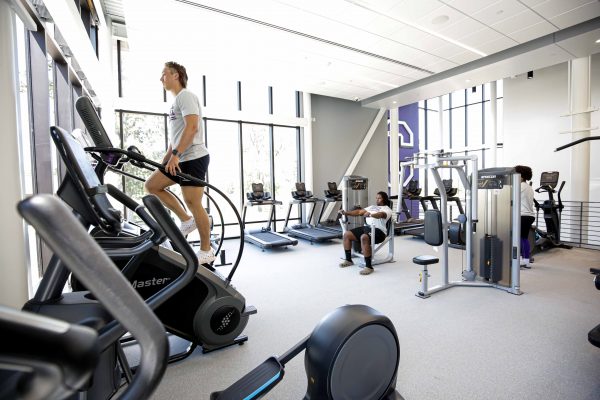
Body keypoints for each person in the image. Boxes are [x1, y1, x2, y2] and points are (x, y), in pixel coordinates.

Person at [145, 61, 215, 264]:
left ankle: (206, 250)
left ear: (176, 75)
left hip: (193, 157)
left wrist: (176, 154)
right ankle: (186, 220)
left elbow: (192, 127)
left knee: (193, 202)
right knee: (152, 186)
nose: (161, 78)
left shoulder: (186, 96)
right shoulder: (176, 102)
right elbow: (176, 136)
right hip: (180, 156)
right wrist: (166, 159)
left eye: (164, 73)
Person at [338, 191, 393, 275]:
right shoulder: (372, 207)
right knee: (347, 235)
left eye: (379, 198)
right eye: (376, 198)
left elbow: (380, 215)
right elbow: (359, 212)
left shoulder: (387, 209)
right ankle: (348, 260)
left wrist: (371, 215)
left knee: (364, 237)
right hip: (367, 228)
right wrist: (346, 213)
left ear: (384, 199)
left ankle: (368, 267)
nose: (377, 200)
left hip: (379, 232)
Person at [515, 165, 535, 268]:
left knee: (519, 238)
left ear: (521, 176)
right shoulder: (529, 187)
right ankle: (525, 260)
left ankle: (522, 260)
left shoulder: (521, 186)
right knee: (523, 238)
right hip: (529, 216)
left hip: (523, 215)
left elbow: (511, 196)